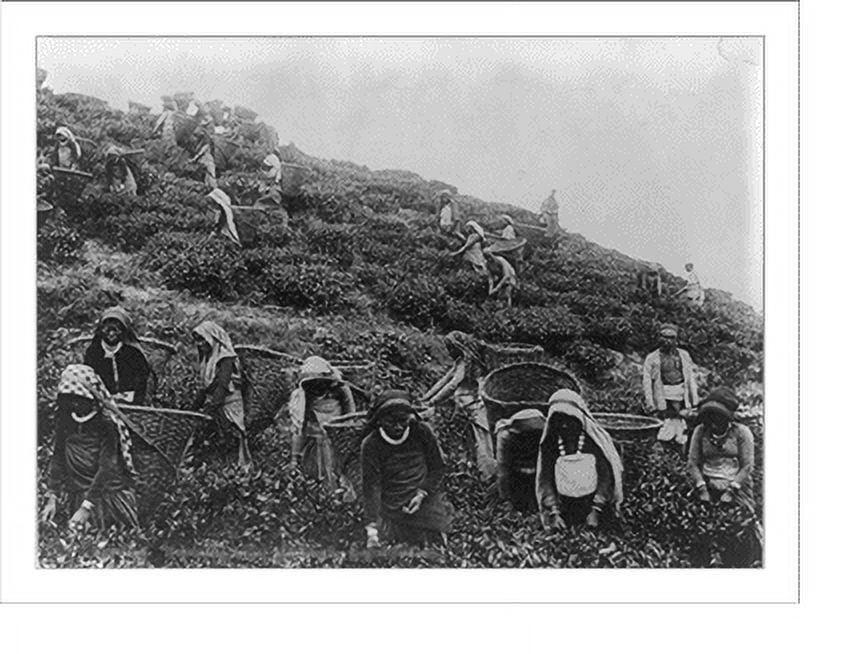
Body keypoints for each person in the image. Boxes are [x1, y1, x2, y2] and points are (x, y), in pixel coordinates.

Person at [40, 364, 141, 531]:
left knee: (115, 542)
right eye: (69, 397)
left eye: (78, 397)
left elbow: (107, 467)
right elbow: (58, 458)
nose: (74, 403)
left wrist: (86, 507)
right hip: (78, 493)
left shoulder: (106, 424)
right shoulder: (65, 420)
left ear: (90, 397)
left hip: (107, 497)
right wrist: (52, 496)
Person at [360, 391, 453, 548]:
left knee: (435, 540)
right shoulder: (371, 444)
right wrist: (372, 531)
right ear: (379, 421)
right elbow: (372, 486)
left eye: (403, 420)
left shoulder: (422, 431)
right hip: (392, 502)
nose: (398, 427)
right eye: (390, 421)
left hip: (424, 497)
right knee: (402, 542)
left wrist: (422, 493)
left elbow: (437, 468)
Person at [536, 389, 624, 529]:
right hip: (564, 505)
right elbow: (546, 478)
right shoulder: (551, 443)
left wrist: (596, 509)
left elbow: (605, 476)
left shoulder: (592, 441)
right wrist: (554, 511)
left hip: (594, 504)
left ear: (578, 418)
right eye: (559, 420)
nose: (564, 425)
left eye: (569, 420)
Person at [421, 331, 496, 480]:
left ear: (458, 347)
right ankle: (473, 472)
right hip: (464, 406)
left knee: (480, 442)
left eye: (450, 348)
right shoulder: (460, 361)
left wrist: (432, 401)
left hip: (473, 407)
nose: (449, 352)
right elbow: (444, 380)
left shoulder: (467, 362)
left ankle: (488, 475)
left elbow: (453, 384)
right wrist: (426, 397)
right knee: (468, 441)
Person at [288, 356, 356, 492]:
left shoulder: (340, 389)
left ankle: (338, 487)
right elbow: (300, 426)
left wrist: (347, 428)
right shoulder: (305, 396)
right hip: (315, 434)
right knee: (314, 470)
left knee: (337, 465)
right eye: (313, 383)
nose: (317, 386)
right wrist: (294, 459)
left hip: (336, 432)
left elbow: (350, 411)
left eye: (320, 382)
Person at [190, 321, 252, 468]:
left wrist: (210, 409)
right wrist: (192, 410)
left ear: (212, 339)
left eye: (202, 339)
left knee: (229, 439)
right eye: (197, 340)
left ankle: (234, 472)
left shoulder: (226, 358)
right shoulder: (207, 360)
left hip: (229, 405)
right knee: (211, 440)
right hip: (216, 403)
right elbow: (204, 387)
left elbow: (222, 385)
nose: (199, 344)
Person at [687, 388, 756, 513]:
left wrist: (731, 491)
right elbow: (692, 463)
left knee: (740, 517)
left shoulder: (741, 432)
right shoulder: (700, 431)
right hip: (706, 482)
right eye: (710, 418)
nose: (713, 423)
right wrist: (702, 487)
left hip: (736, 483)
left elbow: (747, 466)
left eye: (718, 418)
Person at [642, 323, 699, 449]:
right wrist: (650, 402)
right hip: (663, 394)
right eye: (665, 337)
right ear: (659, 338)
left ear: (676, 339)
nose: (668, 341)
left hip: (681, 393)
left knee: (682, 425)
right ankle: (664, 451)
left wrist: (694, 399)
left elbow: (690, 378)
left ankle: (680, 452)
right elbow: (647, 382)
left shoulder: (684, 355)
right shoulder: (652, 358)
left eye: (671, 338)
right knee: (665, 424)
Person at [83, 307, 151, 405]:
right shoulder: (93, 353)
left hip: (131, 406)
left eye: (116, 330)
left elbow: (142, 383)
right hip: (101, 405)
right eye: (107, 329)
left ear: (124, 332)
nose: (111, 334)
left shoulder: (134, 355)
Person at [494, 408, 546, 512]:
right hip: (516, 475)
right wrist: (506, 498)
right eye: (527, 435)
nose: (529, 439)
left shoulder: (547, 435)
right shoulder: (506, 436)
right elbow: (503, 468)